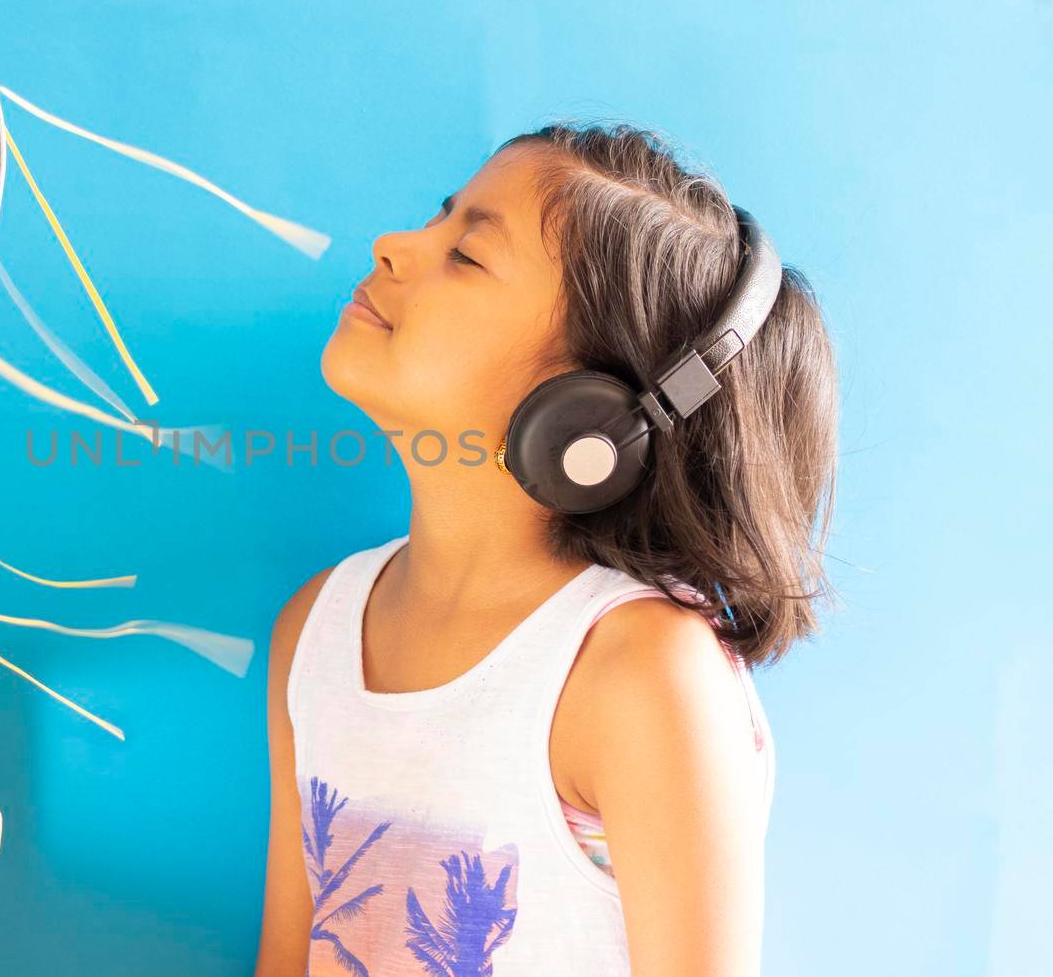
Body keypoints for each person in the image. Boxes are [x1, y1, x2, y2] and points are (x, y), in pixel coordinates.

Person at [256, 123, 839, 976]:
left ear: (589, 417)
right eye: (438, 217)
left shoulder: (638, 671)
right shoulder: (317, 626)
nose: (393, 245)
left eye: (469, 255)